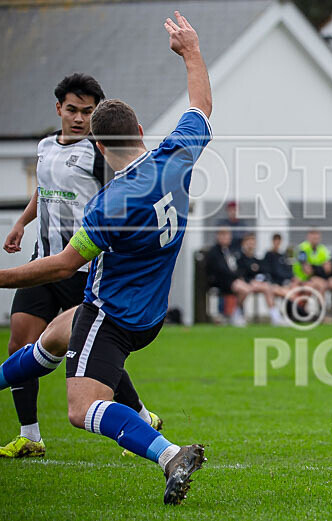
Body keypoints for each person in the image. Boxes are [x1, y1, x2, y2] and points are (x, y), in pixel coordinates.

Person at [0, 11, 211, 505]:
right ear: (139, 128)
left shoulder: (109, 205)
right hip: (151, 312)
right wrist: (191, 51)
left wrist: (2, 276)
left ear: (97, 143)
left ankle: (169, 454)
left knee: (82, 408)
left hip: (111, 313)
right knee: (54, 335)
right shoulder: (176, 155)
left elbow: (63, 265)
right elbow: (201, 104)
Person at [0, 73, 159, 458]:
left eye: (87, 112)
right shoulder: (44, 147)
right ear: (59, 108)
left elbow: (126, 194)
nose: (78, 118)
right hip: (44, 263)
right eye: (72, 109)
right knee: (19, 342)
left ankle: (142, 416)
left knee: (94, 353)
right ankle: (30, 435)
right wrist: (21, 223)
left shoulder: (100, 154)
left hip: (84, 269)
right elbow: (44, 189)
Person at [236, 233, 286, 325]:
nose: (251, 245)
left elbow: (264, 272)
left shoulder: (257, 260)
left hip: (257, 285)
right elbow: (239, 274)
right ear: (244, 244)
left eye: (253, 243)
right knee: (243, 289)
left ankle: (275, 316)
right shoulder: (239, 259)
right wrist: (249, 281)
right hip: (245, 284)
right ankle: (238, 313)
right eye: (249, 243)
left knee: (268, 287)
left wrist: (259, 280)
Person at [206, 229, 249, 326]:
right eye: (224, 235)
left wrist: (239, 276)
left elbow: (234, 267)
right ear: (219, 237)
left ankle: (235, 313)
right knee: (244, 290)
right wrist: (236, 277)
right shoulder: (214, 252)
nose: (227, 238)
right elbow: (221, 270)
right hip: (220, 281)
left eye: (228, 236)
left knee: (246, 288)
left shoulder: (229, 250)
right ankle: (235, 313)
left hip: (230, 280)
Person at [292, 229, 331, 298]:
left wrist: (314, 267)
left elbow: (328, 269)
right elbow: (307, 271)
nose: (315, 239)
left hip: (316, 278)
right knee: (319, 285)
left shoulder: (323, 249)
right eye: (313, 237)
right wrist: (320, 268)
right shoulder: (302, 249)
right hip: (302, 279)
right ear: (308, 237)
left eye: (317, 238)